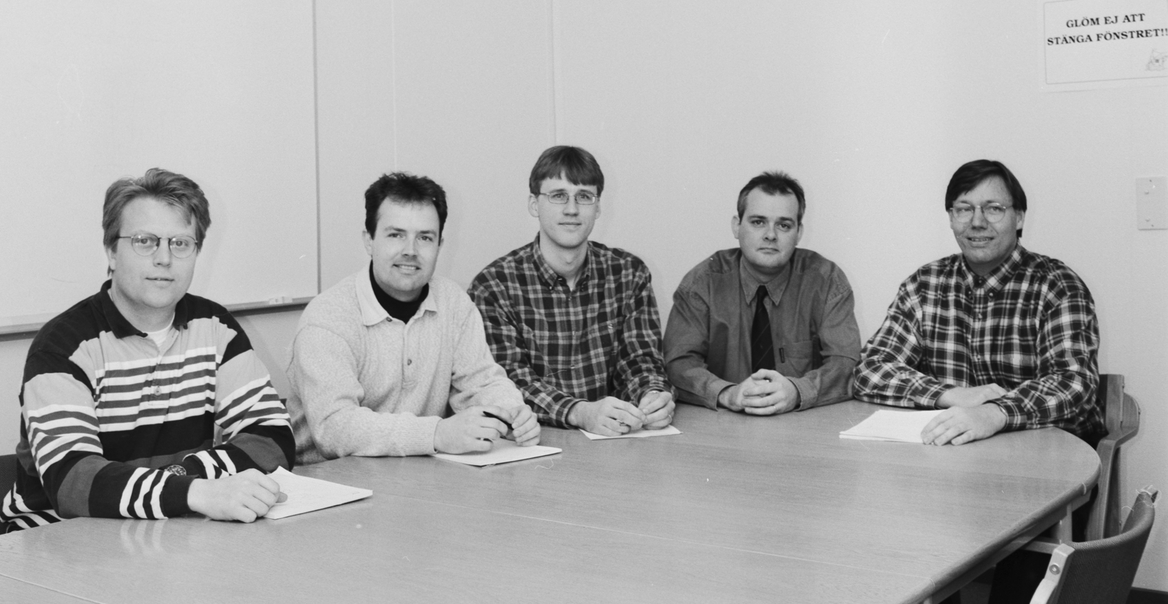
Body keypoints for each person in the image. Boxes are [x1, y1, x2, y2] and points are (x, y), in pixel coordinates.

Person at [0, 168, 293, 531]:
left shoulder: (216, 328)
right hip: (57, 537)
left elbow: (273, 438)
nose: (164, 258)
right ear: (111, 251)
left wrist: (184, 479)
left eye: (180, 243)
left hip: (171, 528)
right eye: (145, 241)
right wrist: (194, 491)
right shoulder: (63, 346)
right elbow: (72, 482)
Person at [286, 172, 539, 462]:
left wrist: (512, 414)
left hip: (418, 474)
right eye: (396, 235)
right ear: (369, 241)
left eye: (425, 238)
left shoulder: (453, 302)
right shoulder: (328, 317)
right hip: (329, 479)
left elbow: (482, 383)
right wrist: (436, 434)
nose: (410, 251)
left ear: (439, 245)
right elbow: (335, 429)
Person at [854, 159, 1102, 447]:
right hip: (951, 456)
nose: (977, 221)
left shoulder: (1057, 286)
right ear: (951, 218)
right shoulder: (924, 284)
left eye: (993, 208)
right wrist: (948, 394)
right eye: (964, 209)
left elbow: (1073, 383)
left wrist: (995, 413)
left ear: (1019, 218)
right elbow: (870, 370)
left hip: (1048, 456)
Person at [467, 145, 674, 436]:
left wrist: (651, 395)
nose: (572, 209)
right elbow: (508, 382)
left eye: (584, 196)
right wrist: (580, 412)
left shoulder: (629, 273)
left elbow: (640, 360)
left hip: (616, 441)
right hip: (535, 443)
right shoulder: (493, 286)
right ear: (534, 204)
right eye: (558, 195)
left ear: (598, 207)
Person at [664, 171, 860, 414]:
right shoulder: (702, 284)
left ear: (799, 233)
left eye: (784, 225)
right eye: (758, 222)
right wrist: (727, 394)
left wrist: (797, 391)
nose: (770, 235)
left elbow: (845, 363)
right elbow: (678, 363)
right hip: (723, 423)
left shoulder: (826, 281)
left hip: (802, 424)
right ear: (737, 226)